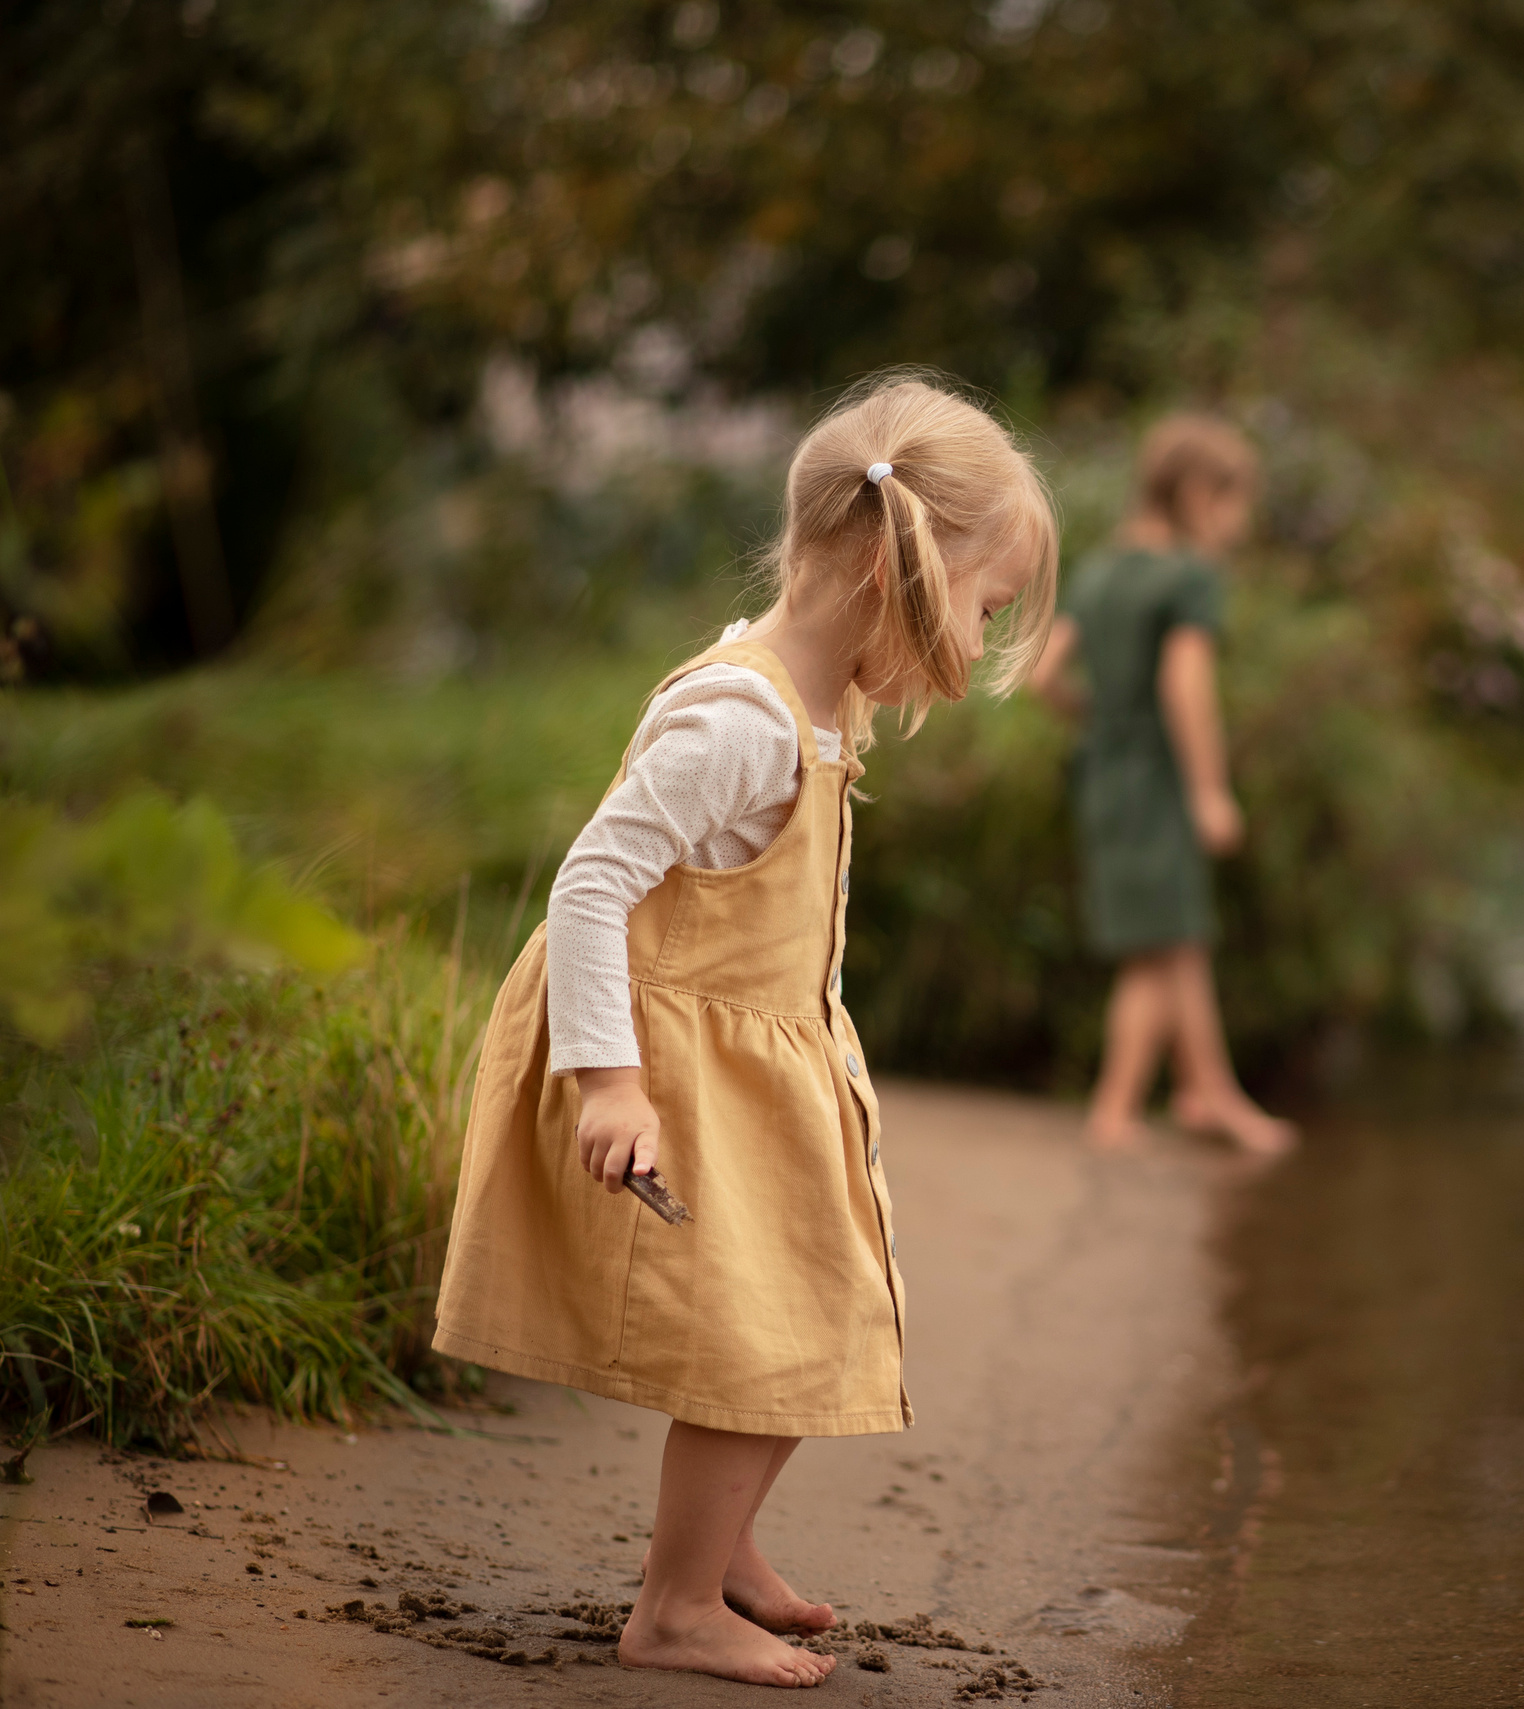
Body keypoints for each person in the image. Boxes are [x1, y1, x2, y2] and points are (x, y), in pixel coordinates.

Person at [433, 374, 1056, 1689]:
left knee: (813, 1310)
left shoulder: (829, 698)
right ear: (899, 575)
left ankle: (720, 1553)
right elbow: (592, 882)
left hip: (763, 1065)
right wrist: (608, 1082)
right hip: (669, 1073)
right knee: (753, 1340)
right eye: (986, 606)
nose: (982, 639)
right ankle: (671, 1606)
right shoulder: (739, 718)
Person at [1031, 414, 1295, 1156]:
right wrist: (1210, 789)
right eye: (1233, 501)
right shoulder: (1188, 578)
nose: (1239, 523)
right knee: (1165, 942)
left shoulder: (1101, 570)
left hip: (1103, 773)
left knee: (1175, 941)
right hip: (1158, 779)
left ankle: (1204, 1093)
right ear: (1195, 491)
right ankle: (1117, 1110)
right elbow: (1186, 687)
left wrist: (1097, 718)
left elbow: (1044, 674)